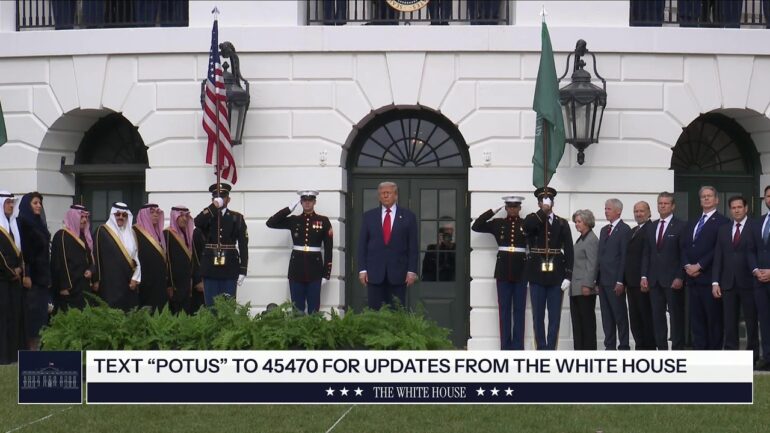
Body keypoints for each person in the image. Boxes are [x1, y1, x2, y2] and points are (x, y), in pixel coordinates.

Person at [471, 195, 528, 350]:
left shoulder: (526, 223)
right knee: (504, 310)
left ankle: (518, 347)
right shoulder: (498, 223)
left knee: (519, 310)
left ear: (520, 208)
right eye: (509, 207)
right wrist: (492, 211)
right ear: (506, 208)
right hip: (503, 271)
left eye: (515, 207)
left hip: (522, 271)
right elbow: (476, 226)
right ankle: (505, 347)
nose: (512, 209)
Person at [266, 190, 333, 314]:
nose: (307, 203)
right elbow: (270, 223)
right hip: (296, 269)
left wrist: (326, 274)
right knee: (297, 309)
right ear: (301, 202)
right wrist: (289, 209)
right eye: (304, 200)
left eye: (310, 200)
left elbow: (329, 249)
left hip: (315, 270)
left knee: (314, 310)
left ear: (314, 202)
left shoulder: (323, 221)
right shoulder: (294, 220)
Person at [523, 187, 573, 350]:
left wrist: (568, 275)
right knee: (537, 316)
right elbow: (527, 227)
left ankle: (551, 349)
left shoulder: (562, 222)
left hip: (556, 275)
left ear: (553, 203)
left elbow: (569, 250)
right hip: (536, 274)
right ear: (538, 203)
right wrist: (543, 212)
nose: (547, 203)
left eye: (549, 200)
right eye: (543, 201)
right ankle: (541, 348)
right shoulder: (533, 218)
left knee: (554, 316)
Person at [357, 181, 418, 310]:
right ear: (379, 197)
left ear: (396, 195)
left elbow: (413, 247)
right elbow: (362, 245)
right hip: (374, 273)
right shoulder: (369, 216)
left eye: (388, 193)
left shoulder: (408, 216)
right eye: (382, 193)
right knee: (374, 312)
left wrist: (411, 271)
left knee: (397, 312)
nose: (385, 196)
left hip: (399, 274)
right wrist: (362, 270)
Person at [682, 186, 729, 350]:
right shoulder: (692, 222)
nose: (706, 199)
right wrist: (687, 266)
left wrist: (700, 266)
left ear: (716, 200)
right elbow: (684, 246)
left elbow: (718, 249)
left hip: (710, 278)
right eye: (703, 196)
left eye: (709, 196)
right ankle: (699, 352)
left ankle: (713, 354)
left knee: (713, 320)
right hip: (692, 279)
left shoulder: (723, 222)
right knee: (697, 320)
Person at [713, 196, 758, 358]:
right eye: (733, 208)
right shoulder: (723, 229)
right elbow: (718, 256)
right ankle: (731, 354)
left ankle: (753, 356)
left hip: (750, 281)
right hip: (728, 282)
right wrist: (715, 282)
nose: (737, 210)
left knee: (751, 320)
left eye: (739, 207)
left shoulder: (755, 227)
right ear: (730, 210)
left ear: (746, 208)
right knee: (729, 321)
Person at [641, 192, 687, 350]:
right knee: (657, 317)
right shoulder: (651, 226)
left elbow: (683, 253)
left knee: (676, 317)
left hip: (673, 280)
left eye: (666, 203)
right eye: (660, 203)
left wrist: (680, 276)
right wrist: (644, 276)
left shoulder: (681, 226)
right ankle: (661, 349)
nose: (662, 206)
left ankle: (677, 349)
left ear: (673, 206)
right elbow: (647, 253)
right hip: (654, 280)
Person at [194, 183, 249, 306]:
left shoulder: (237, 218)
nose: (220, 199)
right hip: (210, 266)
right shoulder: (208, 215)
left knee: (228, 306)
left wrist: (243, 269)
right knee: (211, 305)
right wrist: (213, 207)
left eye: (223, 197)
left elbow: (243, 245)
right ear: (212, 199)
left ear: (228, 199)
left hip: (229, 266)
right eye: (216, 197)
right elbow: (197, 222)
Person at [17, 192, 51, 350]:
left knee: (41, 317)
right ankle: (31, 351)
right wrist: (27, 274)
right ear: (27, 205)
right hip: (31, 279)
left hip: (42, 277)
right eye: (35, 203)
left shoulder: (39, 223)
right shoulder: (22, 223)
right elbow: (24, 251)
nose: (39, 206)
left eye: (40, 203)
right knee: (32, 317)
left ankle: (38, 350)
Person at [93, 202, 141, 311]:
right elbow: (96, 257)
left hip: (128, 282)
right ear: (112, 214)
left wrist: (135, 278)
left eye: (124, 215)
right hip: (109, 283)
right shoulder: (102, 231)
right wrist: (96, 279)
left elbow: (136, 259)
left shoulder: (132, 233)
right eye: (118, 214)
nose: (121, 217)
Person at [597, 198, 631, 350]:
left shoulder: (624, 229)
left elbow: (624, 257)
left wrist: (620, 280)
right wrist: (596, 280)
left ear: (618, 211)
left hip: (615, 281)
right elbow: (600, 256)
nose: (606, 211)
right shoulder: (604, 230)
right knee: (606, 316)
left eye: (609, 209)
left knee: (620, 315)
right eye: (605, 208)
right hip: (603, 281)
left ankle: (623, 345)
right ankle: (609, 346)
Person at [624, 201, 656, 350]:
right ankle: (639, 348)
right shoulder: (632, 231)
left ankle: (648, 350)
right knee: (635, 319)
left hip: (644, 283)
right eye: (636, 211)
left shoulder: (652, 229)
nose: (638, 214)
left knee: (646, 318)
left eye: (641, 211)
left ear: (649, 212)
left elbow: (650, 256)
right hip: (631, 283)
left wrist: (646, 277)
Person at [50, 205, 94, 312]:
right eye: (81, 217)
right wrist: (64, 286)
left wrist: (91, 270)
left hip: (83, 286)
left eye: (86, 217)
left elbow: (90, 259)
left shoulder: (84, 236)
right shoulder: (61, 235)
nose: (84, 220)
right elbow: (58, 263)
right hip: (69, 289)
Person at [0, 191, 24, 363]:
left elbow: (19, 251)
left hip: (15, 280)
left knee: (14, 316)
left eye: (12, 203)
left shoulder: (14, 225)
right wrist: (11, 271)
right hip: (2, 280)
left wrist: (20, 269)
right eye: (8, 202)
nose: (10, 205)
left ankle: (12, 355)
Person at [748, 185, 770, 370]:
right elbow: (751, 250)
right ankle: (767, 357)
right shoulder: (757, 222)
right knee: (764, 321)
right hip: (760, 281)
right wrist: (756, 270)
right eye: (768, 196)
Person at [570, 209, 599, 350]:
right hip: (576, 288)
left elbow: (592, 263)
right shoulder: (581, 238)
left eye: (579, 221)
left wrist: (587, 284)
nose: (576, 224)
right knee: (578, 324)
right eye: (575, 222)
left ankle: (589, 353)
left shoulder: (591, 239)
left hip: (584, 289)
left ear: (587, 222)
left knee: (587, 324)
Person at [133, 203, 169, 312]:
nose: (155, 215)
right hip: (144, 281)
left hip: (159, 281)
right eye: (152, 212)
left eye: (157, 213)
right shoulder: (134, 232)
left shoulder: (159, 234)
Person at [164, 206, 197, 314]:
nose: (185, 219)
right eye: (181, 216)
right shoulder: (167, 234)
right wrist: (169, 284)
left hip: (187, 282)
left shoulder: (188, 235)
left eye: (186, 216)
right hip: (175, 285)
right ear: (175, 217)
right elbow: (167, 260)